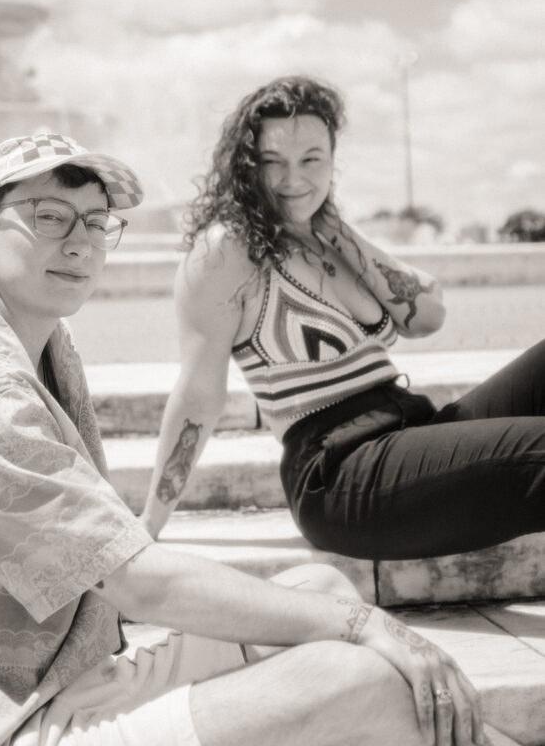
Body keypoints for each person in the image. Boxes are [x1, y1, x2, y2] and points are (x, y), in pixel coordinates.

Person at [0, 131, 487, 746]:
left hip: (60, 681)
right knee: (359, 678)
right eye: (49, 217)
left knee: (317, 590)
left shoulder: (31, 333)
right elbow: (139, 584)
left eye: (96, 221)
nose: (80, 243)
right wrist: (362, 624)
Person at [141, 75, 545, 563]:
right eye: (273, 162)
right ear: (247, 166)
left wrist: (339, 230)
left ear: (333, 161)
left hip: (409, 434)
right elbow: (199, 396)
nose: (294, 180)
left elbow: (428, 316)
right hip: (340, 476)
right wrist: (150, 522)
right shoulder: (229, 250)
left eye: (312, 159)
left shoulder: (332, 240)